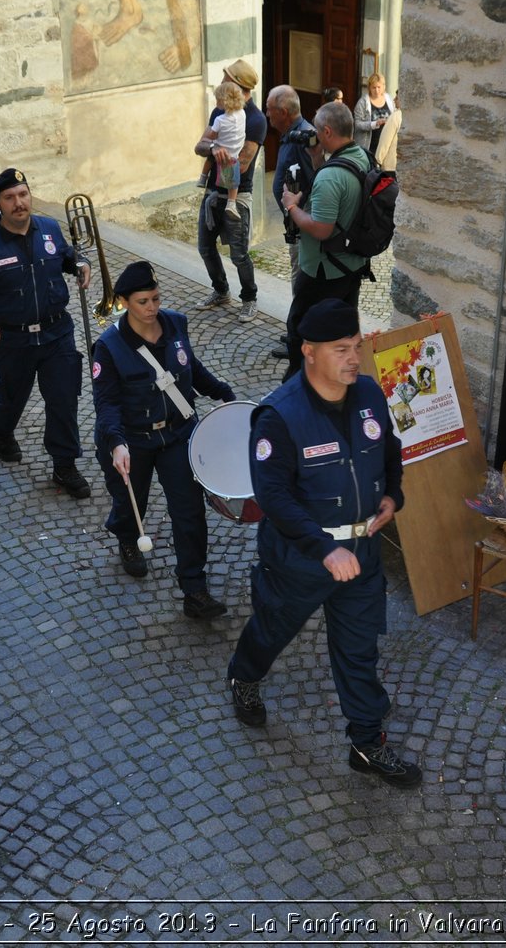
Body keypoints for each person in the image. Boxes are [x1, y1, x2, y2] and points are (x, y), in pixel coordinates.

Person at [226, 299, 419, 788]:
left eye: (356, 347)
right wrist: (322, 549)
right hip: (301, 559)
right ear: (309, 351)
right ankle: (244, 676)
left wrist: (394, 495)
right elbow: (271, 494)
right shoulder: (279, 416)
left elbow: (390, 451)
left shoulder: (371, 395)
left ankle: (366, 743)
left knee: (358, 650)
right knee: (272, 628)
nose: (354, 359)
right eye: (341, 350)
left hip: (363, 552)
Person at [92, 261, 235, 618]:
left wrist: (221, 392)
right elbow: (106, 402)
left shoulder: (175, 323)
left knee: (189, 512)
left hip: (177, 435)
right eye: (143, 301)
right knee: (130, 500)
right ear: (123, 302)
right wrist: (116, 442)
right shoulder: (108, 347)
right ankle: (127, 537)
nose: (152, 307)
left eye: (156, 298)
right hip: (133, 439)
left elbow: (189, 368)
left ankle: (194, 589)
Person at [0, 168, 92, 498]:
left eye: (23, 195)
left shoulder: (49, 229)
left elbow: (65, 257)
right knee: (11, 395)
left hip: (56, 333)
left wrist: (80, 263)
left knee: (63, 399)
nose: (19, 203)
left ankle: (64, 465)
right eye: (10, 198)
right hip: (14, 339)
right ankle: (1, 429)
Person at [278, 100, 371, 380]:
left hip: (323, 269)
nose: (313, 135)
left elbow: (320, 228)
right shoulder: (360, 156)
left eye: (317, 130)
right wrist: (317, 158)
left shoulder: (331, 177)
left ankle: (297, 381)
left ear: (328, 131)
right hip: (352, 263)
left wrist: (292, 206)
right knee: (343, 325)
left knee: (300, 326)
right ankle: (340, 375)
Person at [191, 59, 266, 321]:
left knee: (239, 255)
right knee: (205, 248)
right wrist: (213, 149)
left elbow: (242, 167)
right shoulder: (220, 110)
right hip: (212, 193)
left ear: (237, 85)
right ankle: (221, 291)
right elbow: (200, 146)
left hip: (237, 196)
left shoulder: (255, 120)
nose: (221, 81)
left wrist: (219, 154)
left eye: (225, 78)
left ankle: (249, 298)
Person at [265, 84, 322, 359]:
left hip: (302, 227)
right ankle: (296, 330)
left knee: (301, 282)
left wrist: (299, 215)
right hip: (295, 224)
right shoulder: (291, 135)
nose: (267, 115)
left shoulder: (305, 137)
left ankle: (298, 342)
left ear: (284, 112)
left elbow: (316, 181)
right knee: (297, 279)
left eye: (270, 110)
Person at [209, 81, 248, 220]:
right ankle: (231, 202)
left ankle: (202, 177)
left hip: (221, 152)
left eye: (217, 100)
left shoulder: (219, 119)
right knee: (233, 183)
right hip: (233, 155)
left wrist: (215, 140)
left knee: (211, 153)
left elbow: (211, 136)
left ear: (224, 100)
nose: (216, 103)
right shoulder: (242, 113)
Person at [352, 73, 397, 159]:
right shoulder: (363, 103)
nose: (376, 90)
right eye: (374, 87)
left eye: (379, 87)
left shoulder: (389, 100)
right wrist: (374, 124)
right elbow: (357, 124)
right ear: (369, 88)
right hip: (368, 146)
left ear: (384, 87)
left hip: (386, 146)